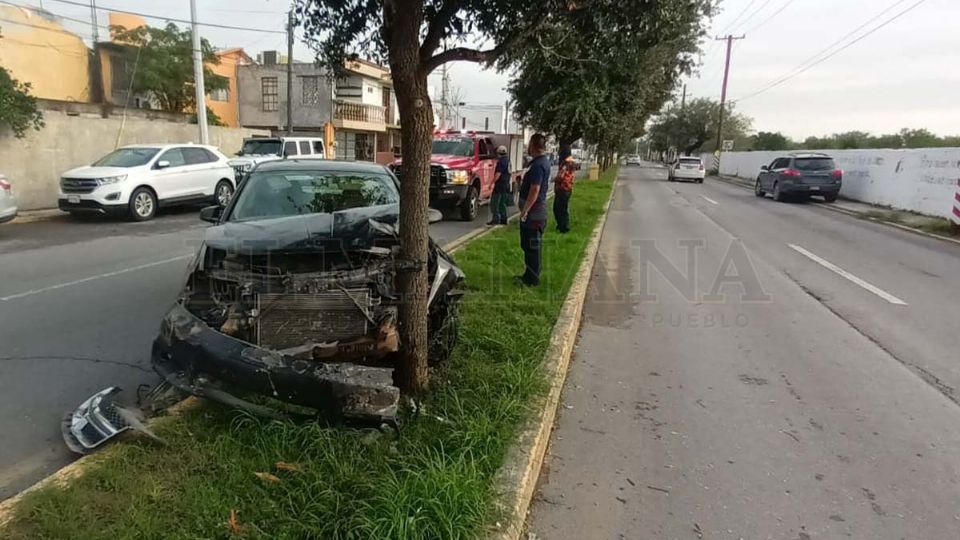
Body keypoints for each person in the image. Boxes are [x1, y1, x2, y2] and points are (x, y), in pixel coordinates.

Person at [517, 133, 551, 287]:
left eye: (529, 143)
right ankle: (528, 274)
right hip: (533, 212)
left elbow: (535, 189)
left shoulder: (538, 165)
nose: (528, 147)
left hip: (534, 213)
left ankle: (532, 279)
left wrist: (525, 210)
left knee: (532, 246)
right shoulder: (537, 162)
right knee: (527, 245)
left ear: (535, 145)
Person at [553, 146, 576, 233]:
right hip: (568, 188)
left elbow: (561, 176)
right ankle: (562, 226)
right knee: (563, 208)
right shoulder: (572, 162)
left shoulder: (566, 163)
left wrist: (554, 179)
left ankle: (563, 227)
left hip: (562, 189)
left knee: (558, 208)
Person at [487, 145, 511, 225]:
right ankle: (504, 219)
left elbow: (498, 174)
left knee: (494, 202)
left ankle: (496, 219)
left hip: (500, 185)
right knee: (502, 203)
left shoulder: (500, 162)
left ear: (498, 153)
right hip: (506, 184)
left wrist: (491, 183)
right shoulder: (508, 161)